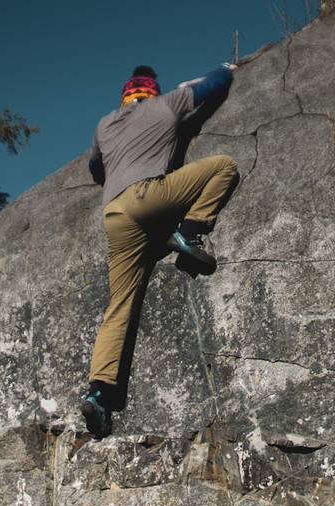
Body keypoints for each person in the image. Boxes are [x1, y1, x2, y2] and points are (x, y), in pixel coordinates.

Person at [81, 63, 240, 438]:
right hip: (149, 196)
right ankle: (189, 234)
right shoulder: (166, 104)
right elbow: (216, 85)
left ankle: (98, 394)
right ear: (151, 91)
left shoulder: (105, 124)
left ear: (126, 95)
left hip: (115, 215)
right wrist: (225, 68)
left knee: (120, 305)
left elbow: (94, 168)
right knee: (224, 167)